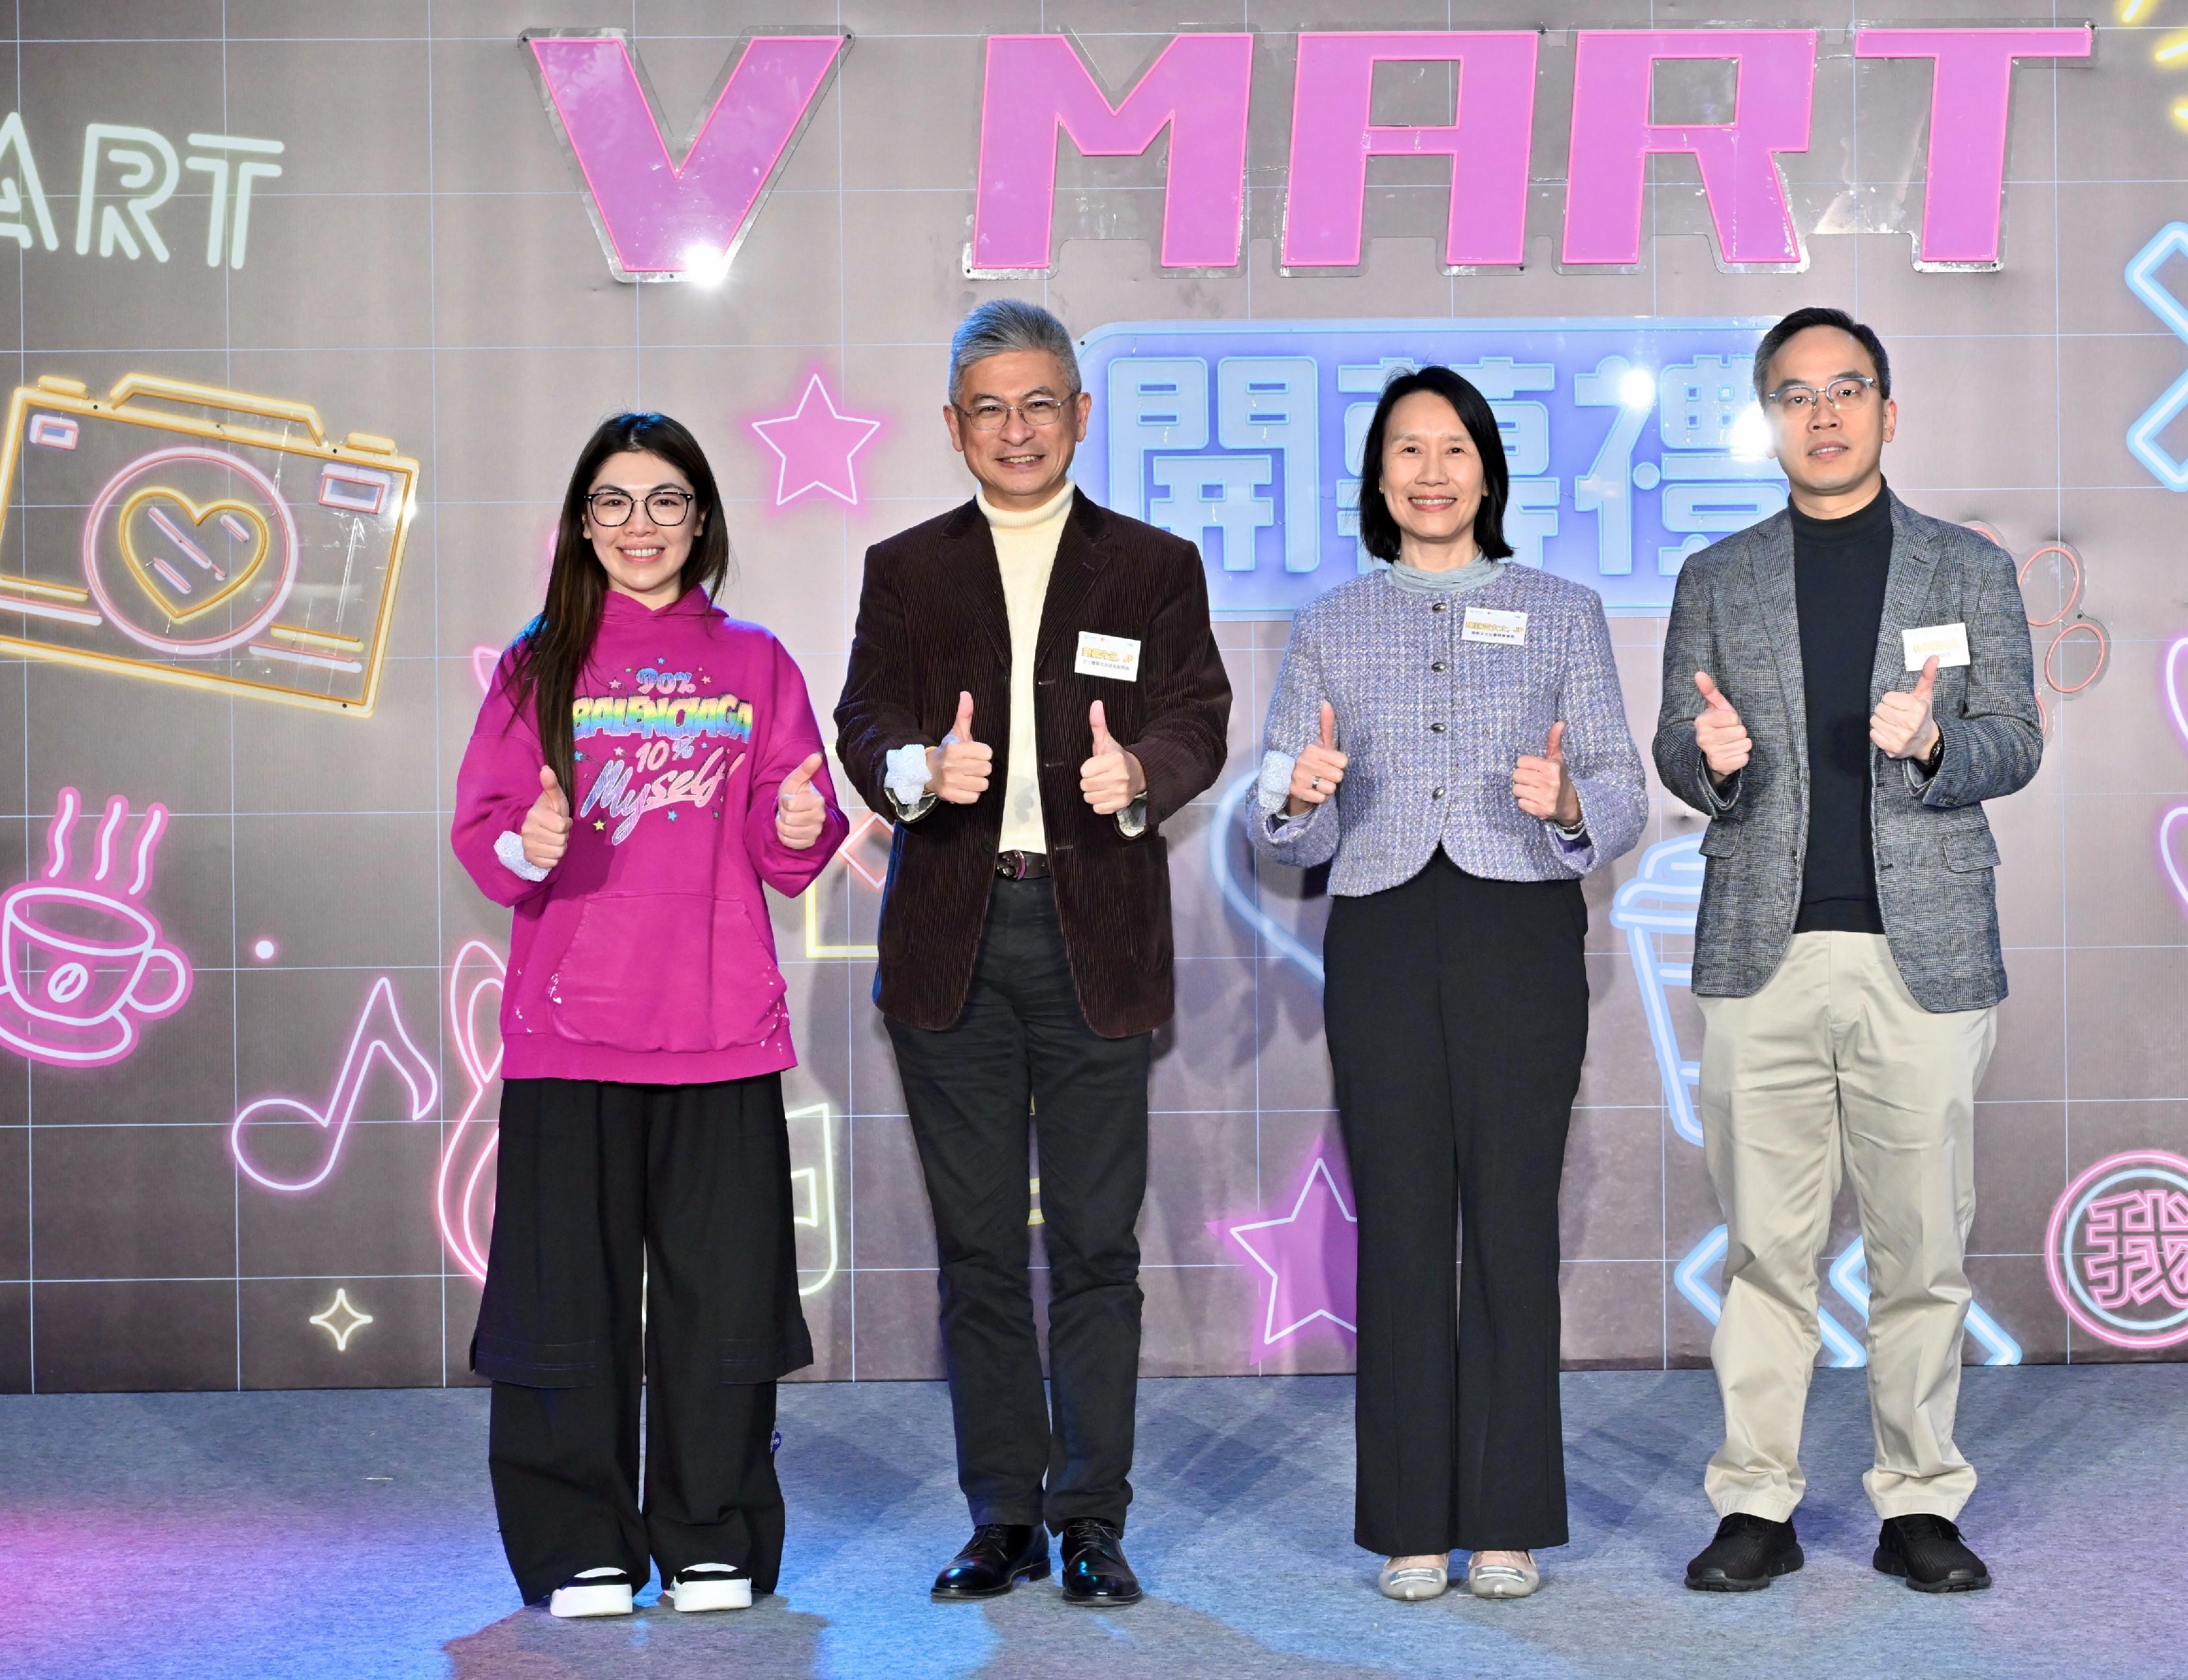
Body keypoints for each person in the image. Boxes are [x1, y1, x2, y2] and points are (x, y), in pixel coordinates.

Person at [832, 299, 1230, 1607]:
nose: (1016, 430)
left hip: (1093, 936)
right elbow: (862, 720)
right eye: (989, 409)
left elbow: (1198, 715)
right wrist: (915, 769)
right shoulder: (906, 568)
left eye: (1039, 404)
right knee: (980, 1248)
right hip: (952, 937)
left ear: (1080, 414)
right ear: (954, 428)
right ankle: (1001, 1511)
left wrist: (1142, 773)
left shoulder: (1152, 565)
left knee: (1100, 1248)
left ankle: (1091, 1516)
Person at [1652, 307, 2042, 1594]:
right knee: (1765, 1249)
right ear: (1767, 418)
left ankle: (1918, 1501)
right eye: (1795, 394)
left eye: (1846, 389)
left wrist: (1934, 746)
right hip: (1760, 952)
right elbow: (1675, 743)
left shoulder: (1963, 568)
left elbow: (2015, 739)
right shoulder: (1717, 576)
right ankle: (1754, 1502)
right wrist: (1705, 763)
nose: (1821, 414)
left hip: (1921, 956)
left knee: (1920, 1248)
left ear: (1887, 410)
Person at [1251, 366, 1647, 1603]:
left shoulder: (1562, 611)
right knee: (1404, 1221)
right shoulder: (1331, 623)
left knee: (1513, 1223)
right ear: (1378, 480)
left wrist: (1570, 802)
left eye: (1453, 449)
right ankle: (1410, 1520)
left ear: (1487, 470)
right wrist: (1299, 796)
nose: (1431, 472)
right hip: (1381, 929)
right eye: (1407, 451)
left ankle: (1508, 1518)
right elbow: (1280, 820)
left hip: (1517, 927)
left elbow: (1622, 791)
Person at [451, 411, 849, 1618]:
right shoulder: (537, 664)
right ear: (583, 524)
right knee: (563, 1304)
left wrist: (799, 825)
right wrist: (529, 839)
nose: (641, 525)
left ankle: (709, 1531)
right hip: (570, 1033)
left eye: (666, 500)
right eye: (615, 502)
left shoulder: (756, 661)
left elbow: (793, 829)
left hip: (719, 1030)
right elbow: (485, 833)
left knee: (719, 1306)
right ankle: (578, 1542)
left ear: (701, 519)